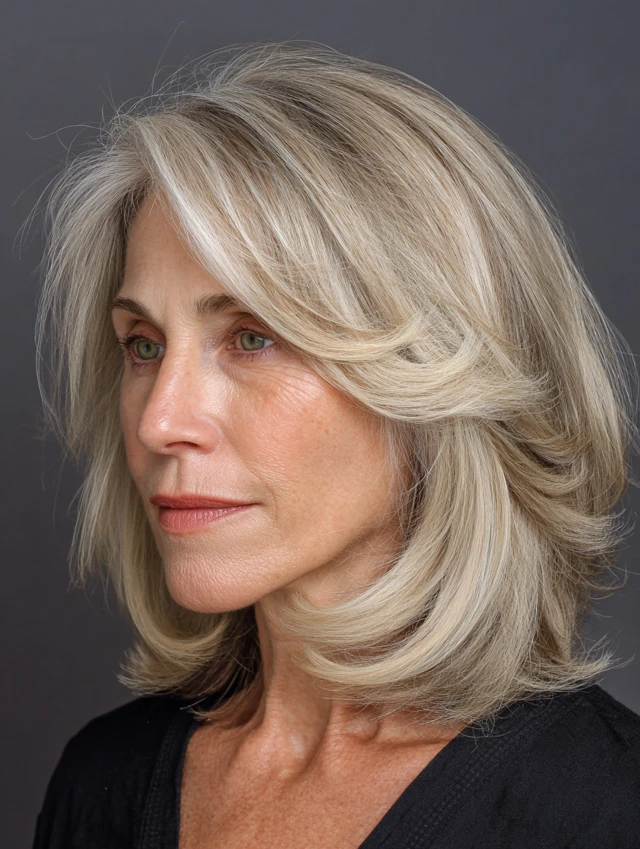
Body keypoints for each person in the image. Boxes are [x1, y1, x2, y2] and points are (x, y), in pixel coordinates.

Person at [30, 41, 640, 849]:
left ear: (434, 372)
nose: (157, 421)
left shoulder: (607, 811)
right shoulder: (99, 784)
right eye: (143, 344)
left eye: (252, 336)